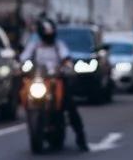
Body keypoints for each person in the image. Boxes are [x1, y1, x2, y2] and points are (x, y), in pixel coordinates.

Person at [20, 17, 88, 151]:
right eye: (46, 34)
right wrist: (20, 66)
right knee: (24, 92)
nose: (48, 37)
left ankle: (81, 137)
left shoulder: (58, 45)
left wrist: (67, 66)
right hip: (39, 79)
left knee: (70, 105)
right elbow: (24, 57)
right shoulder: (34, 45)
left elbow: (66, 58)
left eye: (50, 34)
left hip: (56, 79)